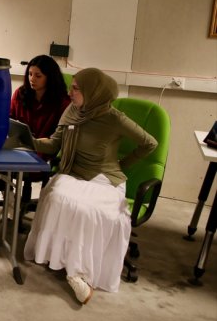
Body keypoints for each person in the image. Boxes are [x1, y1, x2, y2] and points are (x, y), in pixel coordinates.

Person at [23, 67, 157, 305]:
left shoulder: (114, 118)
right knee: (56, 197)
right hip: (72, 172)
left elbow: (149, 143)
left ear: (93, 92)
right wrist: (26, 141)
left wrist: (123, 164)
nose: (70, 92)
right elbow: (54, 145)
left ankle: (79, 274)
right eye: (72, 87)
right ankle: (60, 258)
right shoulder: (72, 111)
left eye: (76, 88)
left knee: (89, 211)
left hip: (104, 178)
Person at [0, 55, 71, 234]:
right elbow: (8, 120)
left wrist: (33, 144)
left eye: (38, 75)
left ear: (50, 77)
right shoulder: (21, 93)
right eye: (30, 74)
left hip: (41, 153)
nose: (32, 79)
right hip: (17, 146)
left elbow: (58, 139)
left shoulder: (63, 103)